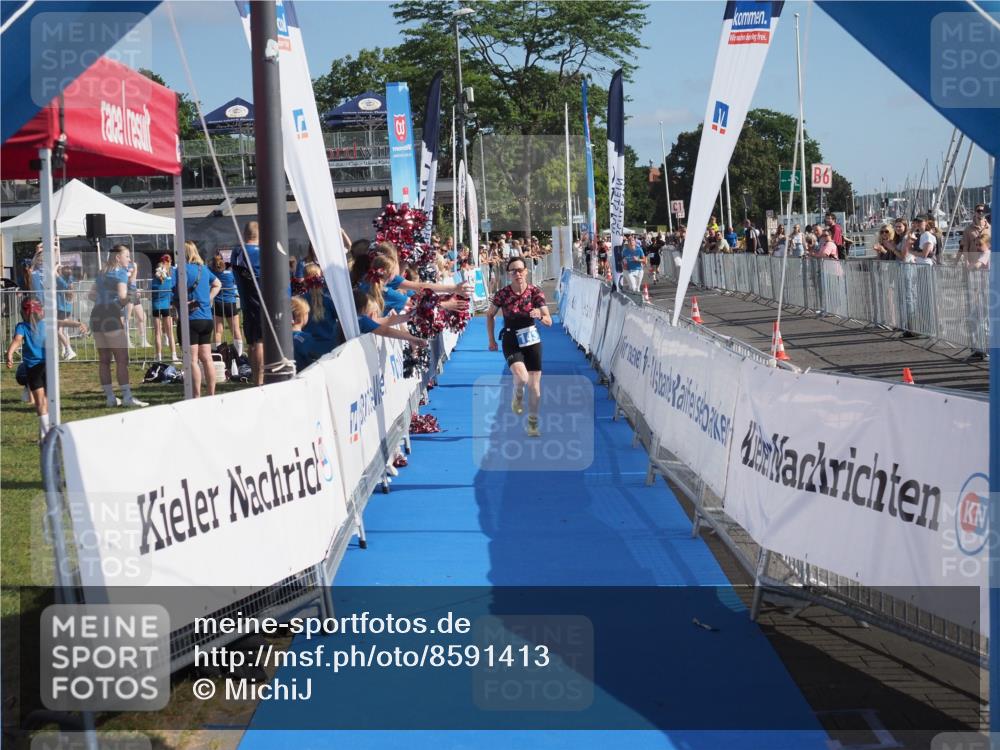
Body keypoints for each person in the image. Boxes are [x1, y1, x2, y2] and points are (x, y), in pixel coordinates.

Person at [486, 257, 553, 438]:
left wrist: (540, 315)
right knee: (522, 378)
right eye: (513, 271)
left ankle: (532, 423)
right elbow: (490, 315)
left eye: (520, 270)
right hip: (511, 338)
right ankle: (517, 393)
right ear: (509, 275)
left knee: (535, 386)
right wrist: (491, 340)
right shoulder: (503, 294)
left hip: (531, 339)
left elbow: (549, 321)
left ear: (526, 271)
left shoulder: (535, 292)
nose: (518, 274)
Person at [6, 298, 87, 441]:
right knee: (49, 401)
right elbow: (62, 322)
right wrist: (78, 323)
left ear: (23, 312)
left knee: (40, 402)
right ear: (41, 311)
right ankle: (49, 432)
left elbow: (17, 341)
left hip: (33, 369)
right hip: (49, 366)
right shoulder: (46, 322)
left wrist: (10, 353)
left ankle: (44, 433)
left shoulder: (21, 326)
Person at [89, 244, 147, 407]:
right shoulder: (121, 273)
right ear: (118, 257)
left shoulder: (102, 272)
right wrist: (131, 293)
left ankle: (110, 398)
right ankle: (127, 397)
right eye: (127, 256)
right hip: (112, 316)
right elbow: (122, 297)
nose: (129, 259)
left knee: (104, 360)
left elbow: (91, 295)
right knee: (122, 359)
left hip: (97, 315)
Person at [175, 241, 222, 398]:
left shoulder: (181, 271)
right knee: (207, 359)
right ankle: (211, 393)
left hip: (191, 318)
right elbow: (218, 284)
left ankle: (196, 396)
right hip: (206, 318)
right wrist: (208, 299)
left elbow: (174, 292)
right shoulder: (204, 269)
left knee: (192, 360)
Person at [230, 220, 264, 385]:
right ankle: (260, 379)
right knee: (259, 342)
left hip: (246, 301)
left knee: (252, 342)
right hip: (262, 302)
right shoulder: (264, 252)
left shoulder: (238, 252)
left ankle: (255, 377)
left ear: (244, 234)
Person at [354, 288, 428, 346]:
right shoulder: (362, 321)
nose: (377, 317)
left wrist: (408, 316)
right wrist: (413, 338)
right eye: (374, 314)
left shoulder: (357, 319)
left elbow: (385, 322)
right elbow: (385, 331)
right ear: (365, 313)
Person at [210, 255, 243, 356]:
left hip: (218, 303)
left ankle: (217, 354)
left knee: (218, 331)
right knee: (235, 329)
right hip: (230, 303)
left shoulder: (213, 273)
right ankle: (239, 353)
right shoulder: (230, 274)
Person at [150, 254, 178, 362]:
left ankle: (158, 356)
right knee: (170, 332)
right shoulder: (169, 280)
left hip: (156, 306)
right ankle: (173, 355)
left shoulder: (154, 281)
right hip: (166, 306)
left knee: (158, 333)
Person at [124, 251, 149, 348]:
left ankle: (143, 340)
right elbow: (127, 280)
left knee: (142, 317)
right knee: (127, 317)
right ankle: (127, 341)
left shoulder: (133, 265)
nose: (128, 258)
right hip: (126, 293)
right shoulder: (120, 267)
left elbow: (132, 280)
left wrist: (136, 289)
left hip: (133, 292)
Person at [959, 203, 991, 267]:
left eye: (983, 211)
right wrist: (966, 261)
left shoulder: (990, 228)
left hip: (987, 264)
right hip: (973, 264)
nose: (981, 213)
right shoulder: (968, 230)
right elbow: (965, 247)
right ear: (975, 213)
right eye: (979, 211)